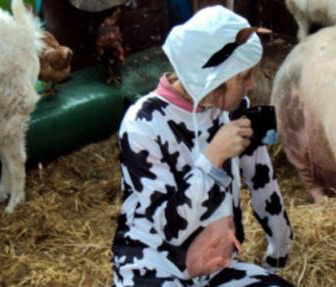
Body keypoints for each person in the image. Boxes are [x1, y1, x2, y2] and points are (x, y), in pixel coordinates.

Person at [111, 6, 293, 286]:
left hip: (215, 268)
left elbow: (261, 177)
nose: (252, 86)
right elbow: (171, 227)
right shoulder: (142, 124)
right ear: (214, 80)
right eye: (243, 77)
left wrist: (280, 247)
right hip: (153, 268)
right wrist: (213, 158)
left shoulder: (233, 111)